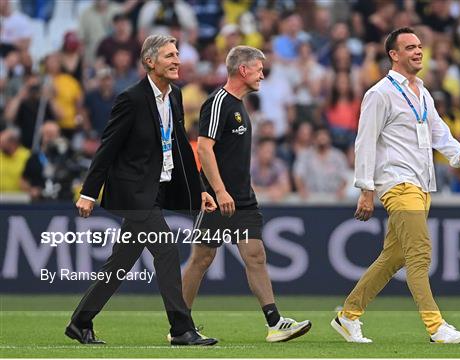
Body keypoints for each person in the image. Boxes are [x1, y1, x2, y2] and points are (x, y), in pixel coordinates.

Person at [332, 27, 460, 344]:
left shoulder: (423, 92)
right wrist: (366, 189)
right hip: (396, 182)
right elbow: (365, 142)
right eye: (410, 47)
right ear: (394, 54)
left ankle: (348, 316)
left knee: (393, 258)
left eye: (419, 46)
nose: (418, 51)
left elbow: (440, 134)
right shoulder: (380, 93)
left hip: (422, 182)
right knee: (420, 255)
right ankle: (436, 326)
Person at [66, 35, 218, 346]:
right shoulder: (131, 99)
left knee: (120, 263)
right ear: (150, 62)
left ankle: (80, 322)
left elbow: (179, 149)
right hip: (134, 193)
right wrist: (88, 192)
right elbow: (107, 148)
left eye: (177, 54)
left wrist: (201, 188)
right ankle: (180, 329)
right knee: (166, 249)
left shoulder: (174, 96)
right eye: (169, 55)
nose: (177, 60)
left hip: (157, 190)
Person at [182, 45, 311, 342]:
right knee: (202, 258)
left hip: (242, 196)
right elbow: (204, 147)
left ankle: (275, 323)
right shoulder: (219, 102)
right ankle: (180, 324)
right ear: (243, 70)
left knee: (255, 255)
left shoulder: (239, 105)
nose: (262, 75)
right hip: (219, 197)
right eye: (258, 69)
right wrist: (219, 190)